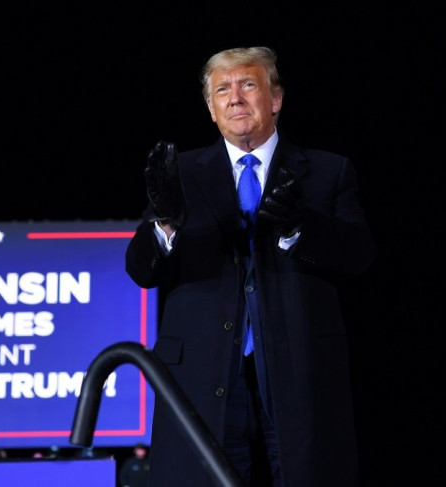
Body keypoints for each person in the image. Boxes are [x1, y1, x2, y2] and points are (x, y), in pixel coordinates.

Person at [125, 46, 376, 487]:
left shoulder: (326, 171)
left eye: (247, 85)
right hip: (202, 379)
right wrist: (164, 221)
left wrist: (300, 226)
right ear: (210, 108)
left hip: (301, 376)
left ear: (274, 99)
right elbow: (141, 271)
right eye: (222, 89)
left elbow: (359, 256)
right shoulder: (180, 175)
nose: (235, 98)